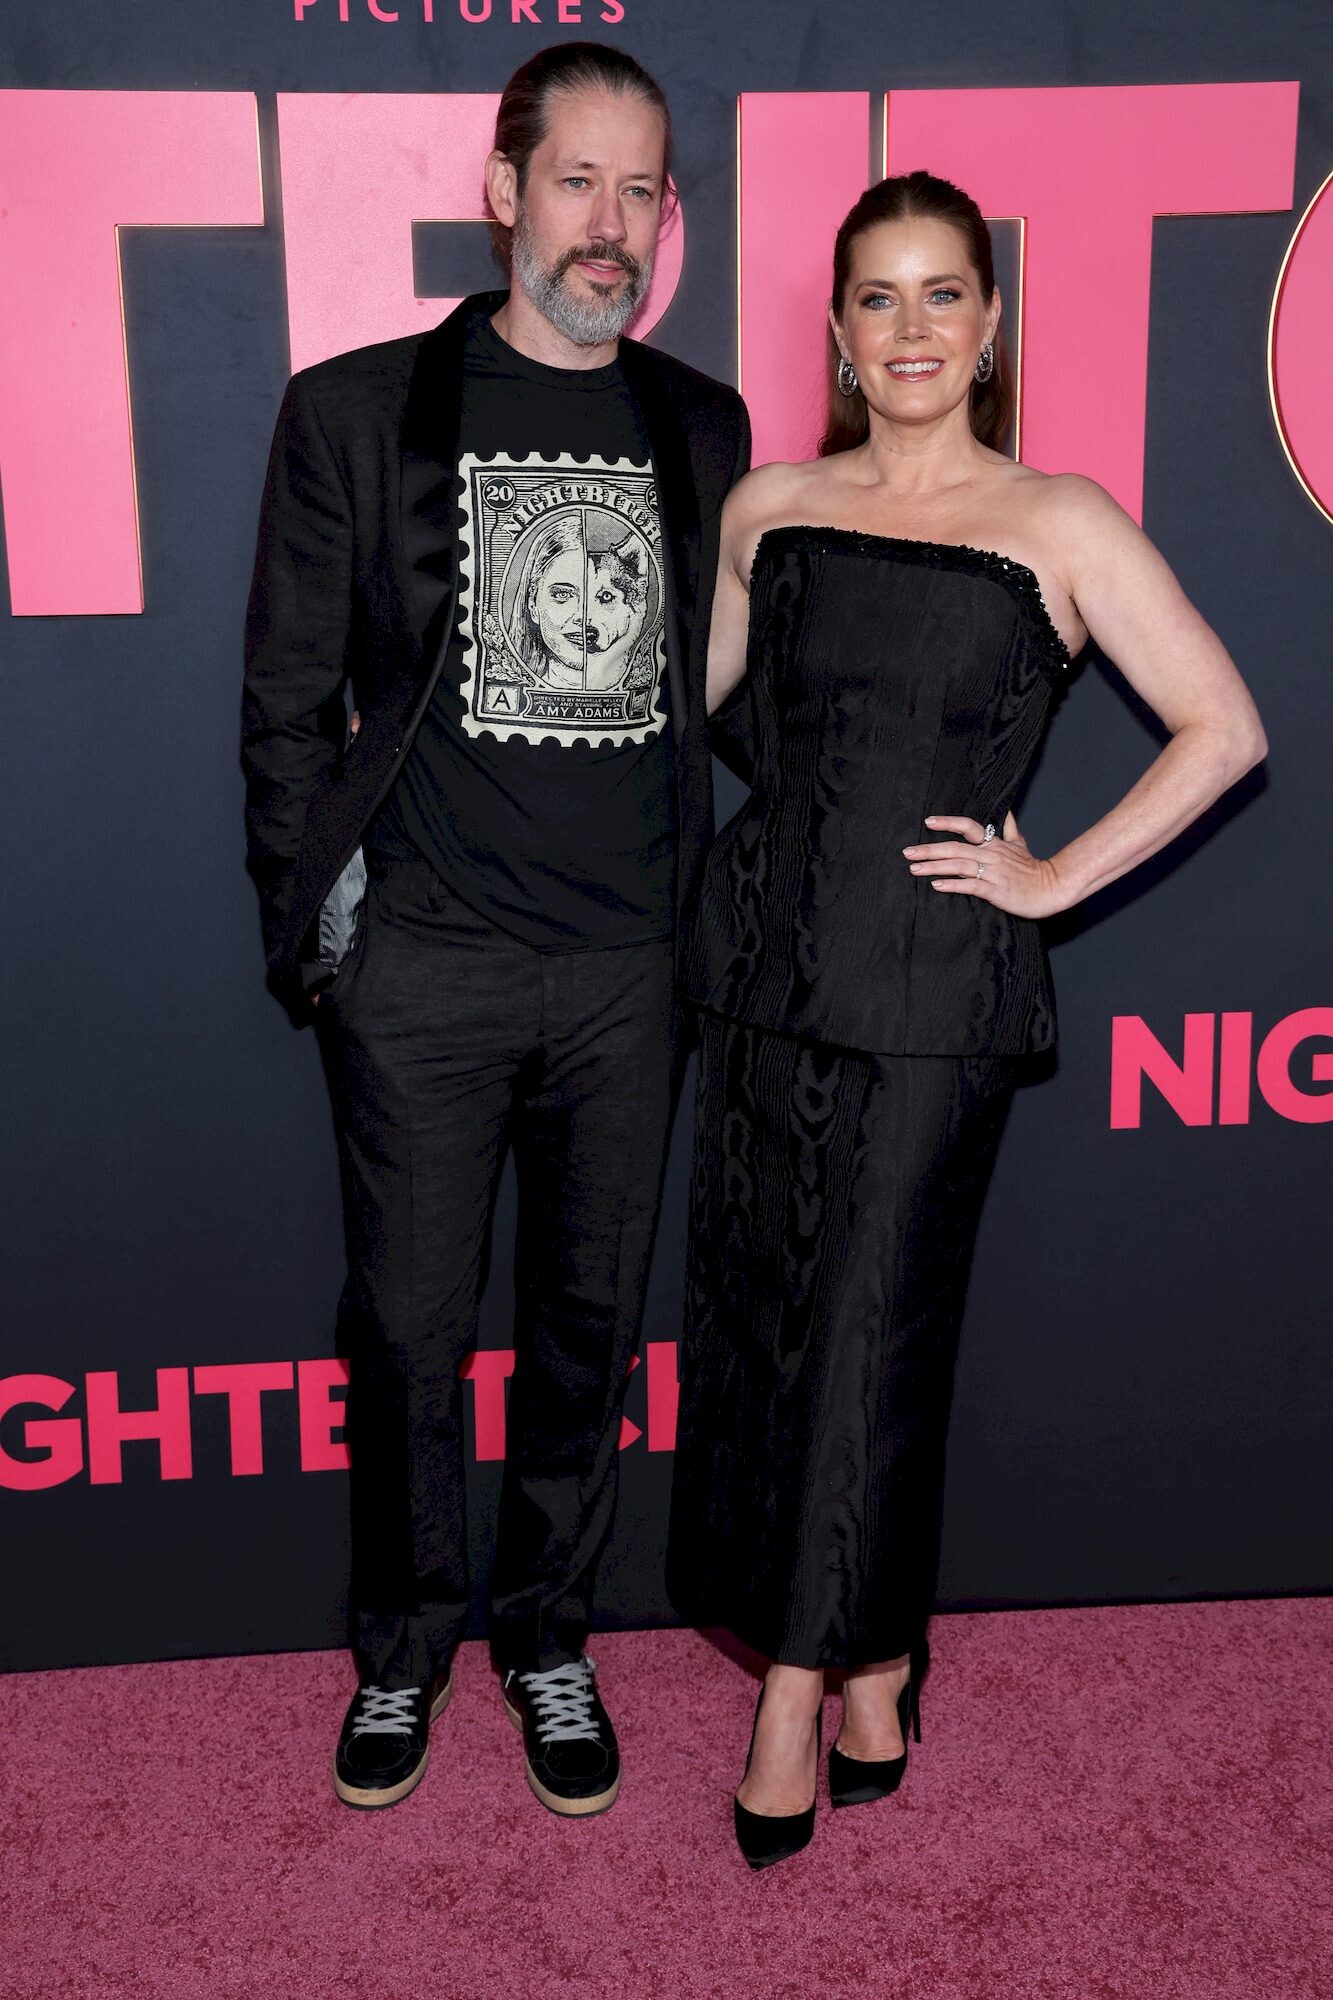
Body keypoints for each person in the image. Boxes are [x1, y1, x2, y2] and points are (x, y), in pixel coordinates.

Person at [665, 170, 1265, 1869]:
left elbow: (1222, 726)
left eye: (943, 294)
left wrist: (1053, 877)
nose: (911, 327)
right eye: (879, 297)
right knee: (764, 1335)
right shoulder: (767, 507)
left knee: (868, 1342)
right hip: (759, 978)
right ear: (838, 332)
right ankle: (874, 1669)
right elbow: (677, 716)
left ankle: (790, 1692)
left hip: (934, 995)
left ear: (989, 324)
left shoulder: (1056, 520)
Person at [241, 43, 749, 1819]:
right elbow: (286, 704)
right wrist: (330, 942)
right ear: (503, 191)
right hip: (427, 974)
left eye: (641, 190)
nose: (609, 224)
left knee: (587, 1331)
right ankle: (401, 1646)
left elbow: (735, 690)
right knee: (404, 1332)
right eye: (577, 181)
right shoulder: (356, 411)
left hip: (629, 977)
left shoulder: (701, 426)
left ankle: (546, 1635)